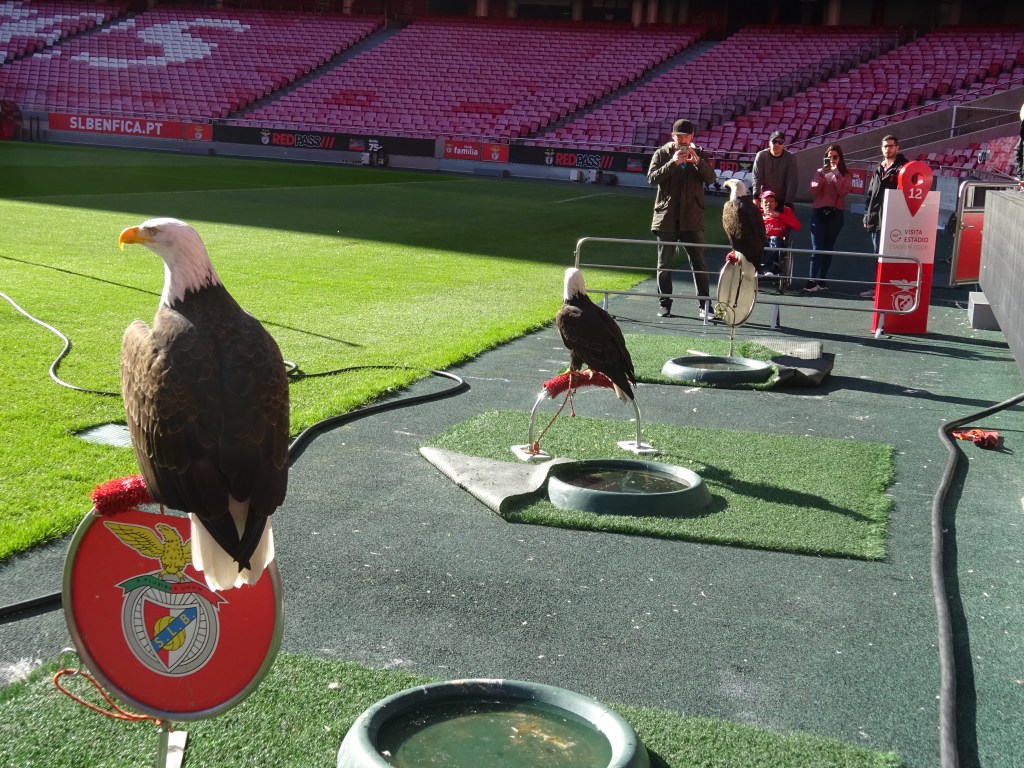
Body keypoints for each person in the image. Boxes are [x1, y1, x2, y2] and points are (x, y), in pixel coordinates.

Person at [647, 118, 716, 319]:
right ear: (672, 136)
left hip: (691, 217)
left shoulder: (701, 154)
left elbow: (711, 179)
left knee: (699, 263)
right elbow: (652, 179)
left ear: (692, 136)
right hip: (666, 217)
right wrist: (672, 163)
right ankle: (665, 304)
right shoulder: (662, 154)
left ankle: (705, 306)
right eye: (679, 136)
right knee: (664, 264)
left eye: (686, 136)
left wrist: (698, 163)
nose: (682, 140)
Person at [805, 143, 852, 293]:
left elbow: (844, 191)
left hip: (836, 213)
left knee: (828, 248)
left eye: (835, 157)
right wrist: (822, 176)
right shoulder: (820, 172)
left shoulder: (845, 174)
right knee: (817, 247)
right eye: (829, 157)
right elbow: (812, 189)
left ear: (840, 158)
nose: (832, 159)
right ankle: (811, 280)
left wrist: (837, 174)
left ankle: (822, 280)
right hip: (819, 212)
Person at [863, 135, 909, 254]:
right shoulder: (878, 169)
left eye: (891, 146)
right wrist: (866, 215)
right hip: (875, 219)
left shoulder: (905, 167)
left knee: (892, 256)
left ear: (897, 148)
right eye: (885, 146)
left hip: (894, 221)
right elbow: (870, 194)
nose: (888, 149)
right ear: (881, 148)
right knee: (878, 255)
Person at [759, 189, 801, 289]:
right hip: (760, 241)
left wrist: (778, 215)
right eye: (766, 202)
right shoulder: (757, 215)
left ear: (776, 204)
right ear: (761, 204)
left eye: (771, 202)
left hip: (777, 240)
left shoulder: (783, 213)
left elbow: (797, 226)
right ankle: (763, 269)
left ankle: (764, 268)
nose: (768, 204)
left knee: (775, 239)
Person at [751, 130, 799, 210]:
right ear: (769, 143)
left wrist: (788, 202)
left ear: (783, 144)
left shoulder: (790, 157)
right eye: (774, 141)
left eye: (780, 142)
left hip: (782, 200)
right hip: (765, 200)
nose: (777, 144)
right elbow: (757, 177)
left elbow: (792, 181)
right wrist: (755, 196)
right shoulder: (761, 155)